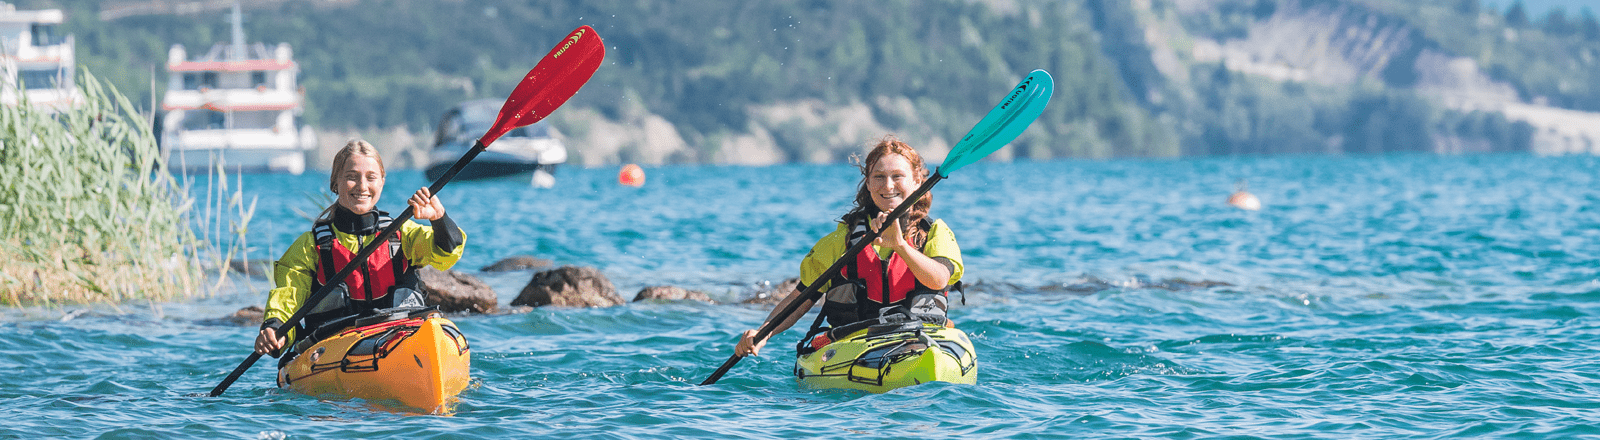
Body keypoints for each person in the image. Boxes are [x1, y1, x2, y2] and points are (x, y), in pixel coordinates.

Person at [735, 135, 963, 357]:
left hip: (920, 341)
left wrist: (900, 246)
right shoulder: (841, 240)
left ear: (916, 182)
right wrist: (764, 333)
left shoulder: (935, 233)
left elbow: (939, 279)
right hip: (855, 348)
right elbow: (802, 298)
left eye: (897, 176)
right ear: (869, 184)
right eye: (879, 177)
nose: (888, 185)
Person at [254, 139, 466, 364]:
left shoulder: (403, 234)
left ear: (382, 182)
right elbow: (288, 298)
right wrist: (275, 328)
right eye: (352, 176)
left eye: (371, 177)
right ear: (336, 182)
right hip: (335, 354)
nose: (362, 186)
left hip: (401, 341)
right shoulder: (310, 247)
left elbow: (447, 252)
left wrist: (439, 218)